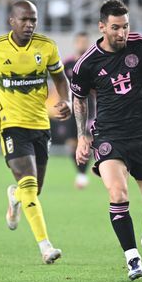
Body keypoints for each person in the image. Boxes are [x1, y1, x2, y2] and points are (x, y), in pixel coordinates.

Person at [71, 0, 142, 280]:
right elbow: (79, 100)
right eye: (115, 27)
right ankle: (132, 257)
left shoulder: (141, 45)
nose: (122, 33)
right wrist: (82, 136)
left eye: (125, 26)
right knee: (118, 194)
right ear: (102, 27)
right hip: (108, 134)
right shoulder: (87, 63)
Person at [0, 0, 71, 264]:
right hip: (12, 125)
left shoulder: (46, 46)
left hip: (40, 124)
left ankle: (14, 197)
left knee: (34, 190)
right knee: (28, 182)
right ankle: (45, 246)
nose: (29, 25)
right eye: (24, 20)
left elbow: (60, 78)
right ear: (11, 21)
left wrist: (67, 100)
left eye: (33, 20)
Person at [63, 31, 94, 189]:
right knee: (71, 143)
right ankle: (80, 173)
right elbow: (59, 84)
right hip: (70, 109)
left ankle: (82, 176)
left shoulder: (93, 62)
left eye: (85, 41)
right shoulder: (67, 64)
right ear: (76, 43)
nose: (82, 44)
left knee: (86, 141)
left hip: (89, 108)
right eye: (80, 42)